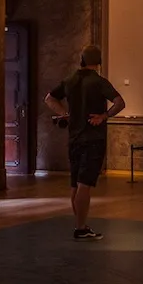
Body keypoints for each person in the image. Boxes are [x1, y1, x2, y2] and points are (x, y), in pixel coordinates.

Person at [44, 45, 125, 241]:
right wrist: (104, 116)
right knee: (84, 185)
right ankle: (80, 228)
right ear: (98, 62)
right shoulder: (98, 82)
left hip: (74, 139)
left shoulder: (70, 80)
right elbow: (120, 102)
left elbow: (49, 99)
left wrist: (65, 114)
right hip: (93, 139)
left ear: (81, 59)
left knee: (75, 185)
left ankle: (80, 224)